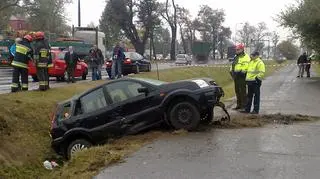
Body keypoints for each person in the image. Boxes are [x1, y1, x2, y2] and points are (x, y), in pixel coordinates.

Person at [229, 43, 250, 110]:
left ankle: (244, 106)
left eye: (238, 49)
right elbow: (233, 65)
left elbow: (246, 66)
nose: (236, 51)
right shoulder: (236, 56)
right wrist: (231, 71)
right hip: (236, 76)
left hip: (242, 76)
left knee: (242, 91)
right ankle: (239, 105)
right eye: (236, 49)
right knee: (237, 91)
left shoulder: (245, 57)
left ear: (242, 49)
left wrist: (241, 71)